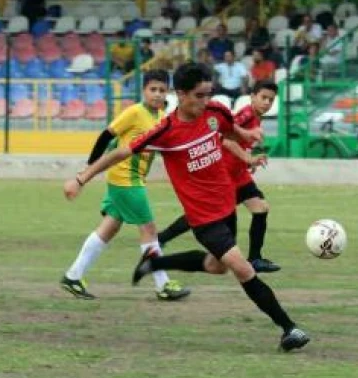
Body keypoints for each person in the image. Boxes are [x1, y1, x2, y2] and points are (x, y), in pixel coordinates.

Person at [64, 63, 311, 352]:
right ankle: (289, 328)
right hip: (203, 219)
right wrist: (82, 177)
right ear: (181, 94)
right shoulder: (166, 130)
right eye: (199, 96)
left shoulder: (215, 111)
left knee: (216, 266)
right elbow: (119, 151)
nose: (206, 101)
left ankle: (157, 262)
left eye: (208, 94)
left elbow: (229, 131)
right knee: (242, 269)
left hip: (226, 206)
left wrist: (246, 138)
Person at [59, 70, 191, 302]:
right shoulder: (134, 112)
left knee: (109, 228)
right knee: (149, 231)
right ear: (143, 91)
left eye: (162, 90)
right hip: (125, 179)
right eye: (153, 89)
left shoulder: (162, 117)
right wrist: (87, 169)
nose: (157, 95)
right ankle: (163, 285)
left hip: (132, 178)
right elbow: (106, 136)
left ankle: (73, 276)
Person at [156, 81, 281, 273]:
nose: (266, 103)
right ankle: (161, 239)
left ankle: (255, 258)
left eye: (270, 100)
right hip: (226, 176)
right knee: (204, 215)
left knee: (260, 208)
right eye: (263, 98)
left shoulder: (255, 116)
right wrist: (247, 157)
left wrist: (247, 161)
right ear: (252, 96)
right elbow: (225, 139)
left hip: (239, 174)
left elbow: (238, 142)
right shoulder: (246, 115)